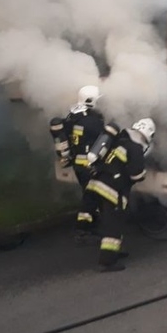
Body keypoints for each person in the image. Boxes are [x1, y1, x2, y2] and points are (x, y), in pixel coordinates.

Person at [85, 118, 155, 272]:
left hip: (95, 185)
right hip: (112, 190)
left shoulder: (118, 140)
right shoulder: (136, 148)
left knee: (108, 221)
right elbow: (136, 175)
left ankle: (115, 251)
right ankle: (107, 262)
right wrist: (143, 172)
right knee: (113, 225)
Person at [49, 86, 108, 241]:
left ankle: (90, 225)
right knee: (94, 196)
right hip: (89, 165)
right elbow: (104, 140)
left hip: (78, 164)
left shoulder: (72, 117)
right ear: (91, 100)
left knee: (89, 195)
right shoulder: (93, 121)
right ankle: (85, 228)